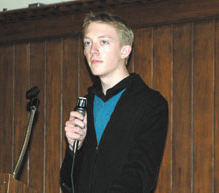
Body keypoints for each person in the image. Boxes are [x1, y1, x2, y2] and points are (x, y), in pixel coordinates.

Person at [60, 12, 168, 193]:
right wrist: (73, 148)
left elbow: (141, 175)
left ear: (125, 51)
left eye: (103, 42)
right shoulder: (85, 105)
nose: (92, 50)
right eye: (87, 43)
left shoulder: (151, 104)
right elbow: (68, 183)